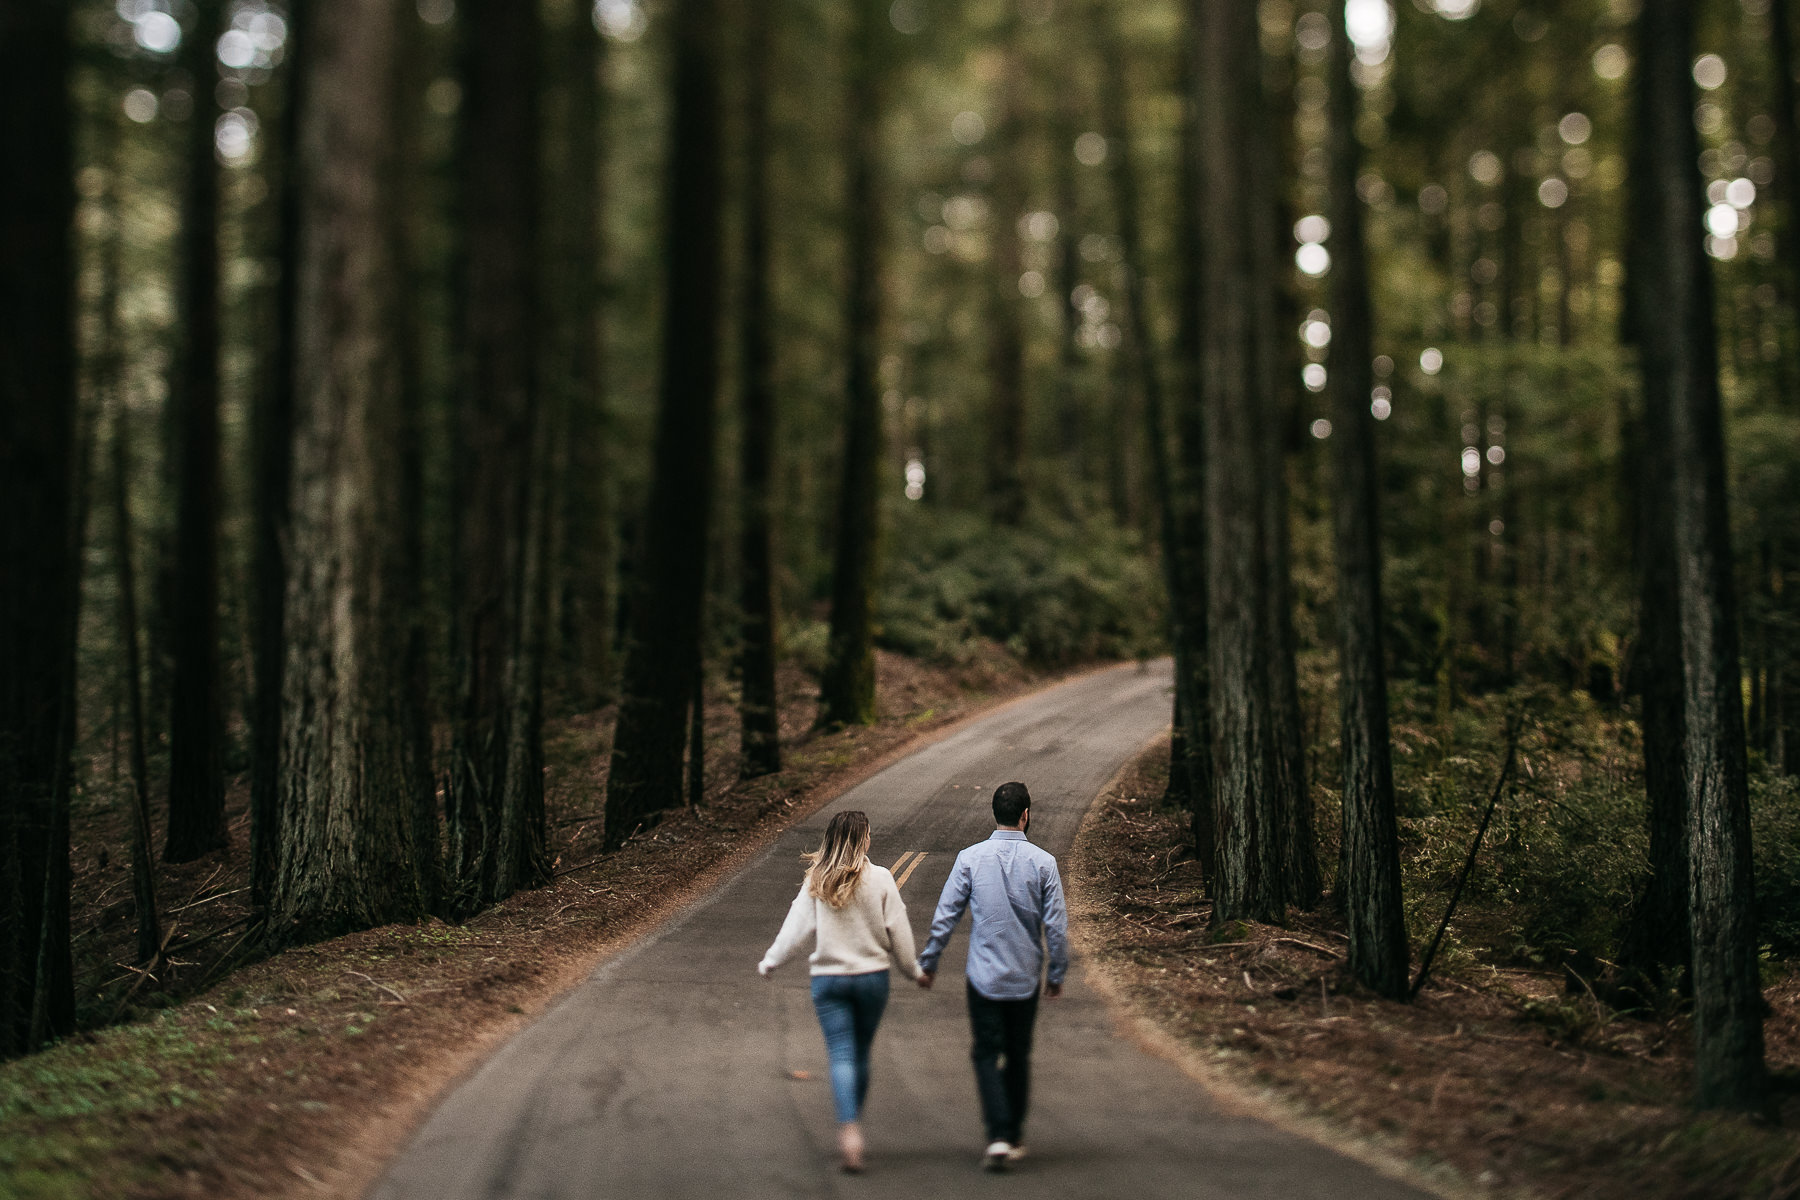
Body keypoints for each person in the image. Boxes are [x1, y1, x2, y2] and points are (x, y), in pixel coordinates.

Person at [916, 781, 1068, 1172]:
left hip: (983, 976)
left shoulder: (969, 858)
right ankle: (1014, 1135)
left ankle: (997, 1134)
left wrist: (929, 961)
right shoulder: (1044, 863)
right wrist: (1057, 971)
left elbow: (946, 914)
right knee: (1018, 1053)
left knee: (986, 1051)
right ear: (1026, 815)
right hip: (1024, 977)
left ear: (995, 814)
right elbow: (1055, 926)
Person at [759, 809, 921, 1173]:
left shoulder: (816, 879)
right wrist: (914, 972)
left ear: (830, 840)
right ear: (864, 839)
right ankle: (853, 1122)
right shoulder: (881, 878)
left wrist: (771, 960)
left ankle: (849, 1129)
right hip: (871, 979)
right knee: (860, 1054)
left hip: (828, 981)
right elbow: (900, 931)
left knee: (841, 1054)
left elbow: (796, 926)